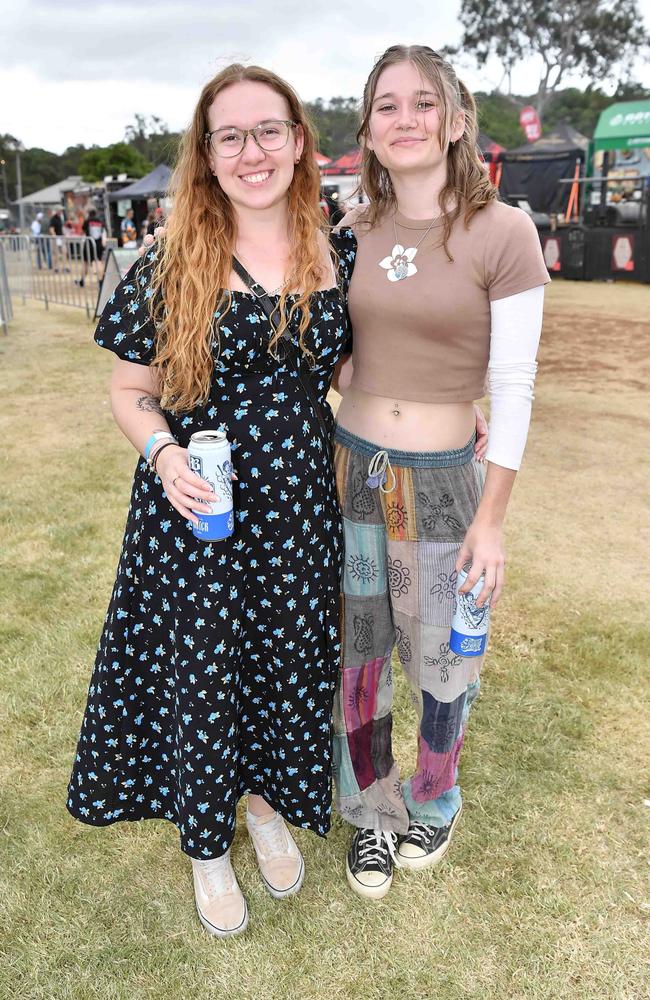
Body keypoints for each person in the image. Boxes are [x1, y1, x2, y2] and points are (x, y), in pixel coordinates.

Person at [66, 64, 358, 939]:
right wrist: (163, 455)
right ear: (207, 153)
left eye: (268, 130)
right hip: (200, 510)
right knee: (203, 672)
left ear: (299, 141)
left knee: (283, 661)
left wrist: (445, 410)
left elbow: (350, 372)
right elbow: (129, 392)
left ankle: (264, 802)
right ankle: (205, 843)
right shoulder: (170, 257)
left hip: (303, 511)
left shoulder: (333, 246)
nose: (251, 151)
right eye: (228, 136)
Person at [330, 44, 549, 899]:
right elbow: (335, 352)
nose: (406, 119)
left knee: (443, 658)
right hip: (348, 470)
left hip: (447, 481)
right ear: (370, 130)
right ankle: (372, 810)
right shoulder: (349, 231)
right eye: (387, 105)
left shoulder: (505, 231)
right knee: (359, 652)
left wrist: (491, 518)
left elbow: (516, 385)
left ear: (457, 121)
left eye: (425, 103)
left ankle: (436, 796)